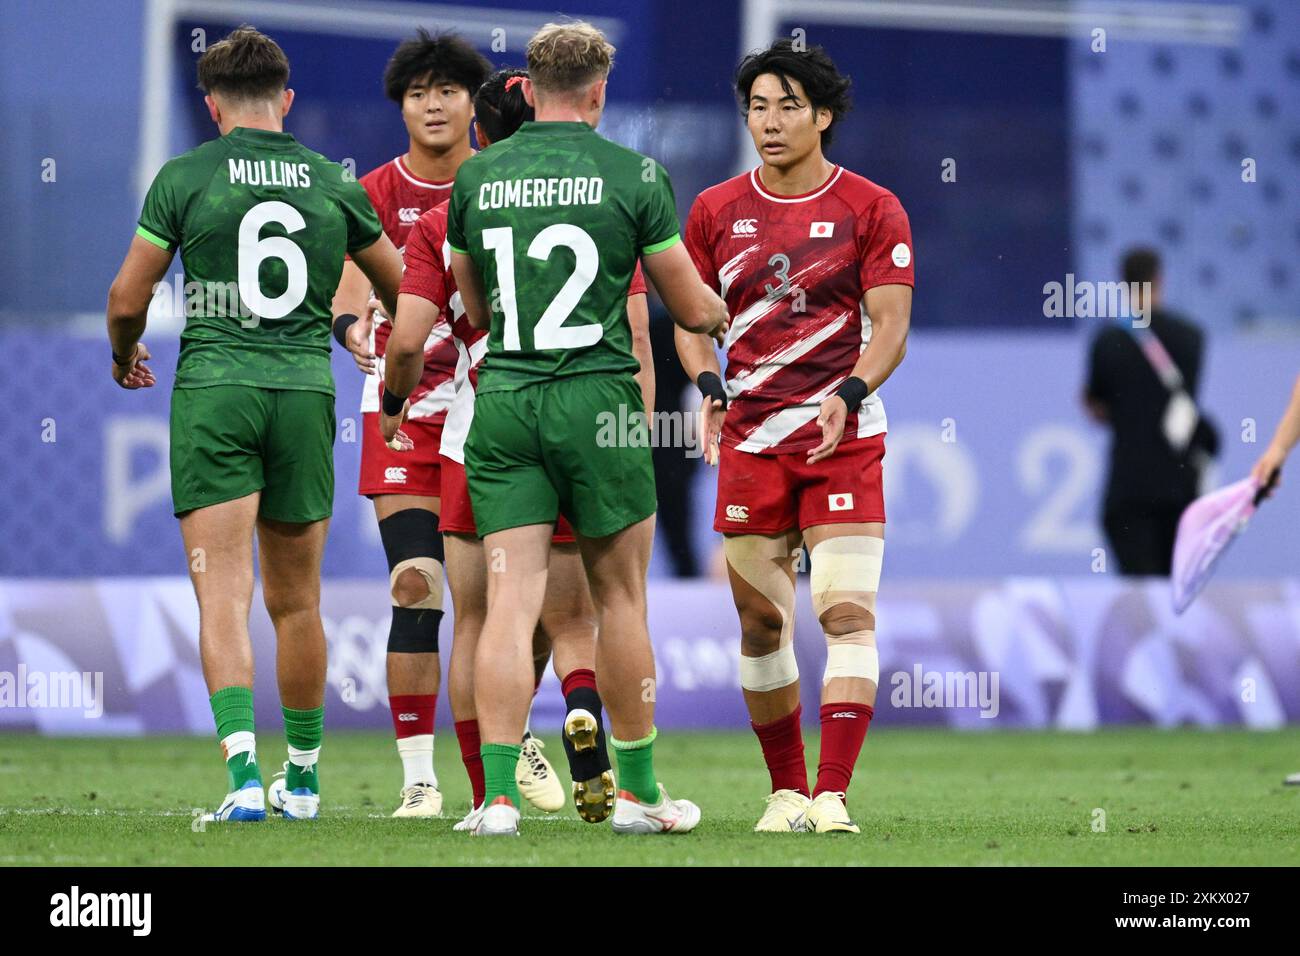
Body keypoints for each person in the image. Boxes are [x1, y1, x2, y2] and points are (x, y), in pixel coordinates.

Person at [394, 21, 727, 836]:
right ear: (599, 93)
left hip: (505, 399)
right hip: (600, 402)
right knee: (620, 601)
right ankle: (642, 795)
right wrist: (720, 309)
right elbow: (692, 308)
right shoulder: (634, 173)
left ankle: (498, 800)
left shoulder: (476, 179)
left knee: (507, 606)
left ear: (529, 88)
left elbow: (471, 306)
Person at [106, 26, 404, 822]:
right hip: (305, 393)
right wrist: (388, 349)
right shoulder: (332, 182)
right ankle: (301, 784)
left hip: (216, 392)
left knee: (222, 596)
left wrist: (123, 352)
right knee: (298, 601)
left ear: (211, 107)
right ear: (288, 101)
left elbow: (126, 299)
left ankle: (243, 777)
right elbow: (404, 285)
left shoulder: (185, 175)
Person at [379, 68, 653, 829]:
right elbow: (641, 333)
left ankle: (488, 791)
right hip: (593, 420)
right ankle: (593, 721)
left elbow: (413, 335)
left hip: (486, 429)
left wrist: (395, 403)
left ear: (481, 133)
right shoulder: (607, 199)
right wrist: (636, 427)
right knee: (579, 615)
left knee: (483, 617)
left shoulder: (451, 211)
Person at [676, 38, 913, 834]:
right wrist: (708, 387)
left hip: (840, 435)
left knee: (846, 612)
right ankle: (784, 790)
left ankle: (833, 794)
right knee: (760, 622)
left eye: (786, 106)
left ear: (824, 116)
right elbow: (689, 319)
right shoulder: (713, 209)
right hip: (749, 442)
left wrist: (850, 391)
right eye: (756, 107)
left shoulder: (872, 207)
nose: (768, 122)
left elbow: (891, 327)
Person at [331, 30, 543, 820]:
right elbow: (349, 290)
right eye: (417, 92)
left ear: (473, 108)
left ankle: (511, 727)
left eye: (447, 90)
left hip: (499, 414)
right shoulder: (377, 193)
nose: (431, 104)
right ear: (402, 107)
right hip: (405, 413)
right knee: (416, 590)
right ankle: (420, 779)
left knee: (510, 598)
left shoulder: (504, 187)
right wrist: (354, 330)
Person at [1084, 248, 1217, 576]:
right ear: (1160, 279)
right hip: (1181, 487)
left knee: (1142, 593)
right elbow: (1185, 398)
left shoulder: (1108, 341)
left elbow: (1097, 406)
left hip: (1129, 491)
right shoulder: (1191, 338)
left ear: (1123, 283)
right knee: (1177, 590)